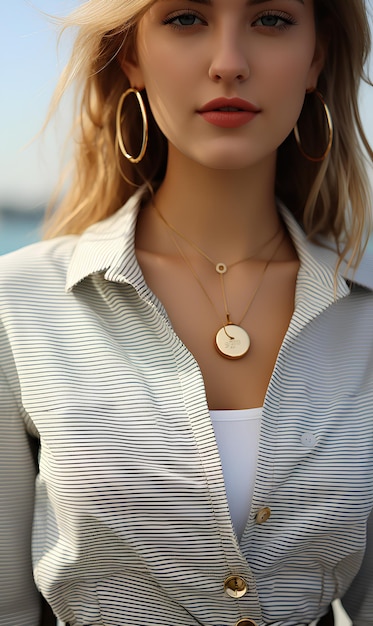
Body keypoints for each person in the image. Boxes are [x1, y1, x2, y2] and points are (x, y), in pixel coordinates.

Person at [0, 0, 373, 624]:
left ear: (317, 58)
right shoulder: (19, 303)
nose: (229, 64)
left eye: (272, 20)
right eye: (185, 18)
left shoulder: (363, 320)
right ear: (132, 57)